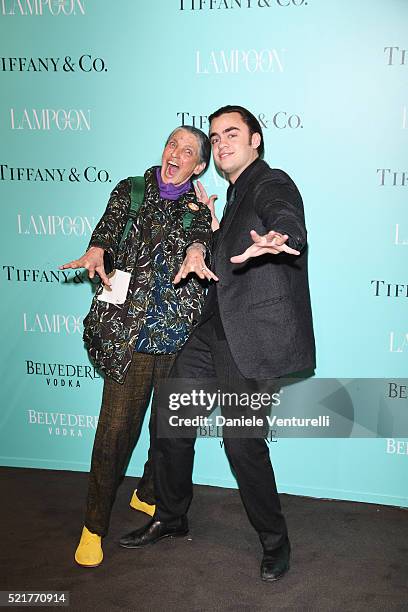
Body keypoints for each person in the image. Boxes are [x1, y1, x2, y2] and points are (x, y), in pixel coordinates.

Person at [119, 105, 315, 582]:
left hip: (249, 340)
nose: (221, 142)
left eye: (232, 133)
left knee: (242, 444)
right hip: (209, 333)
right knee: (170, 422)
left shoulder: (271, 182)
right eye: (215, 136)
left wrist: (280, 236)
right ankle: (171, 514)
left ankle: (275, 541)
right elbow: (223, 260)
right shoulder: (230, 197)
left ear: (256, 141)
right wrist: (207, 234)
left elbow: (285, 215)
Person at [60, 125, 215, 567]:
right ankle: (93, 527)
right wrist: (96, 250)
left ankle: (148, 493)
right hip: (129, 339)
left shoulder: (196, 207)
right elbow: (107, 230)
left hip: (176, 338)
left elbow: (201, 240)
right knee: (113, 437)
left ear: (199, 166)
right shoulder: (130, 190)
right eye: (172, 144)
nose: (176, 154)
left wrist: (200, 249)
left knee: (167, 432)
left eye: (188, 151)